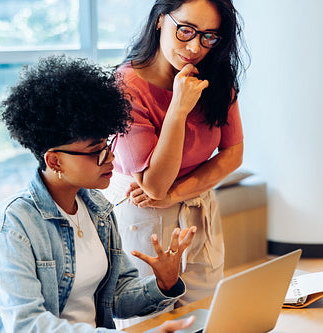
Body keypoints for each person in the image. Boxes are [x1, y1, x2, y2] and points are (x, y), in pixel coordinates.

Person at [0, 55, 197, 332]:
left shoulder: (98, 209)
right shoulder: (13, 227)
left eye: (107, 145)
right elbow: (27, 325)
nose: (110, 158)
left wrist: (163, 283)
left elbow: (116, 297)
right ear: (55, 161)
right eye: (96, 152)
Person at [104, 0, 245, 307]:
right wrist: (178, 109)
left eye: (209, 36)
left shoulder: (216, 76)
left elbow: (233, 153)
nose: (195, 46)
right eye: (185, 30)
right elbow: (154, 185)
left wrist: (176, 194)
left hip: (197, 208)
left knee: (203, 315)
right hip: (144, 216)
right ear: (159, 20)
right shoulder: (127, 86)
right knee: (151, 317)